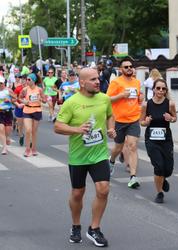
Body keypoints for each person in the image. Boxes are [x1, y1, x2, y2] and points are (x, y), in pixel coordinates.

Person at [54, 68, 116, 247]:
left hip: (99, 154)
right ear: (82, 82)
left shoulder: (104, 99)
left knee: (103, 189)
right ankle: (75, 225)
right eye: (93, 79)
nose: (98, 81)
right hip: (78, 156)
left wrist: (111, 129)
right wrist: (77, 129)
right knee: (77, 193)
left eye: (98, 78)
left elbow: (110, 116)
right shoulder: (71, 102)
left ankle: (94, 228)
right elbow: (58, 126)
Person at [106, 58, 143, 188]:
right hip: (119, 120)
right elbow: (108, 99)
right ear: (121, 69)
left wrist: (140, 100)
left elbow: (137, 100)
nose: (129, 69)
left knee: (132, 146)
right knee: (118, 147)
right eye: (126, 67)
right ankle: (111, 161)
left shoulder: (137, 82)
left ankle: (133, 177)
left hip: (133, 119)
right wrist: (121, 95)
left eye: (130, 66)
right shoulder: (116, 82)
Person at [140, 79, 177, 203]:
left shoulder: (170, 104)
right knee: (159, 166)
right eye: (158, 88)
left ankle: (162, 178)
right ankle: (159, 193)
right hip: (151, 140)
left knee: (168, 169)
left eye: (163, 88)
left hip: (166, 139)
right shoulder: (146, 105)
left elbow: (175, 118)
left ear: (166, 90)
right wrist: (146, 122)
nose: (161, 91)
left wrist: (170, 118)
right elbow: (141, 122)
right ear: (153, 89)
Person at [20, 73, 46, 157]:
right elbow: (19, 98)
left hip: (37, 110)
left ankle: (34, 148)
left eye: (28, 79)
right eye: (26, 79)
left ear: (33, 80)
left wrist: (41, 99)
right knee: (28, 130)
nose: (26, 81)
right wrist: (23, 101)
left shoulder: (39, 89)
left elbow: (45, 100)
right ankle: (27, 149)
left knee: (34, 132)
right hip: (27, 110)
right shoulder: (25, 89)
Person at [0, 76, 16, 155]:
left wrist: (9, 99)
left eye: (1, 83)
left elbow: (15, 98)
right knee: (1, 129)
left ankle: (8, 138)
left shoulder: (8, 90)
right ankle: (4, 148)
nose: (0, 85)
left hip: (8, 112)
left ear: (4, 83)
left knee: (7, 131)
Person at [13, 74, 27, 146]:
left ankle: (30, 140)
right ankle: (21, 135)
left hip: (28, 108)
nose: (23, 80)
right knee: (20, 126)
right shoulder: (18, 88)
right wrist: (18, 105)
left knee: (28, 125)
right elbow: (13, 99)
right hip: (19, 108)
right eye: (22, 79)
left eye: (25, 79)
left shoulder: (31, 89)